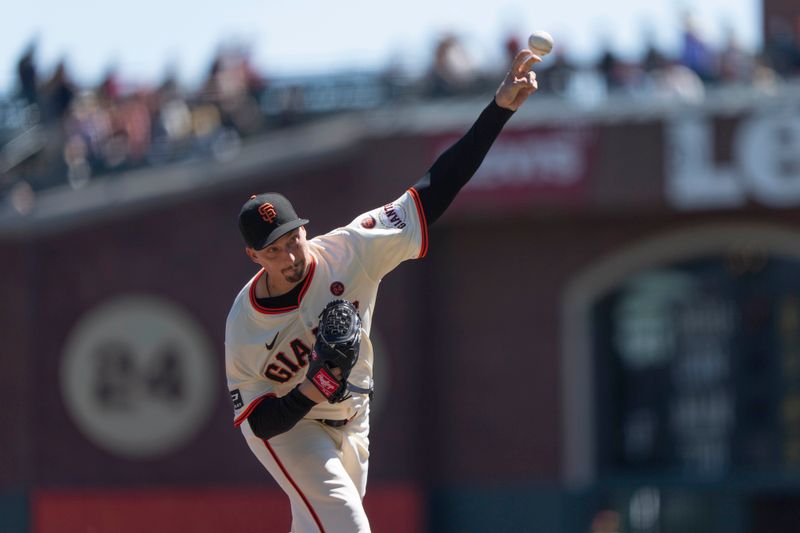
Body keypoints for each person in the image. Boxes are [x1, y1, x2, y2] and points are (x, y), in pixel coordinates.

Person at [225, 49, 541, 532]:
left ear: (304, 230)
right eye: (273, 251)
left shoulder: (352, 250)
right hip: (291, 430)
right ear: (253, 258)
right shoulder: (245, 325)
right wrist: (316, 387)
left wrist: (498, 110)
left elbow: (434, 189)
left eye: (293, 240)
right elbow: (261, 422)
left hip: (353, 415)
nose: (290, 257)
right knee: (349, 526)